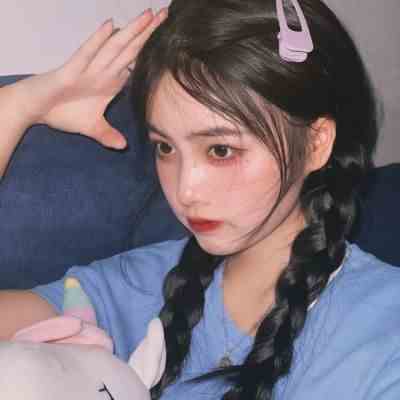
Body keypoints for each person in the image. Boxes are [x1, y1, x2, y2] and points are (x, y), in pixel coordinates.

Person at [0, 1, 399, 399]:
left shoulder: (384, 332)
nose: (185, 190)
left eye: (221, 150)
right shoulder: (139, 286)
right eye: (165, 148)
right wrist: (16, 107)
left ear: (316, 144)